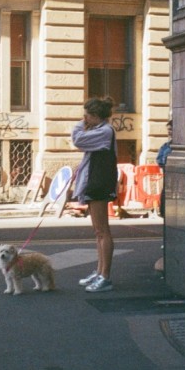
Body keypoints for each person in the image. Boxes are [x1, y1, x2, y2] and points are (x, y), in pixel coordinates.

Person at [71, 96, 118, 293]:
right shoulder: (100, 129)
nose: (85, 118)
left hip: (99, 183)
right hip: (95, 181)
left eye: (87, 115)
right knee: (99, 232)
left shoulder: (105, 131)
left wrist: (80, 124)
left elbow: (77, 140)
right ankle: (99, 272)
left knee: (103, 231)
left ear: (96, 115)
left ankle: (105, 276)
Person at [155, 119, 172, 218]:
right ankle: (163, 212)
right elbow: (159, 160)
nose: (169, 132)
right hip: (167, 173)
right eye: (168, 130)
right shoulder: (166, 146)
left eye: (171, 129)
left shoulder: (176, 146)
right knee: (165, 191)